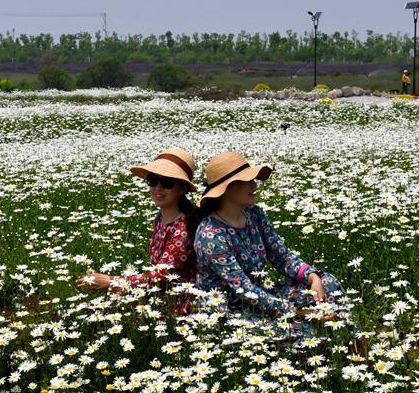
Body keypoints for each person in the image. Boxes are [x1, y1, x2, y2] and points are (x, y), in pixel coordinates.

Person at [193, 151, 346, 345]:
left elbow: (282, 257)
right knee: (301, 327)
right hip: (231, 312)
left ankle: (345, 342)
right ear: (227, 189)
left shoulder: (254, 214)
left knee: (327, 282)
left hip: (262, 296)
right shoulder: (210, 235)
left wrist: (312, 277)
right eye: (247, 180)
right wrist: (297, 311)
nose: (254, 185)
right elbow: (243, 289)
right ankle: (326, 348)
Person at [77, 148, 200, 315]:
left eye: (167, 182)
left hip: (176, 307)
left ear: (183, 188)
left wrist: (112, 282)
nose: (158, 188)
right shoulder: (161, 218)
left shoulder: (182, 229)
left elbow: (161, 277)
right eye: (152, 180)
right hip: (156, 295)